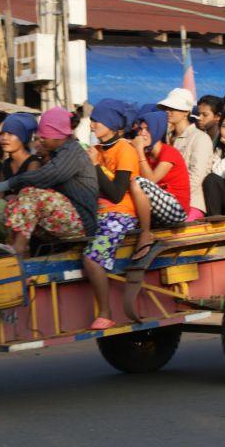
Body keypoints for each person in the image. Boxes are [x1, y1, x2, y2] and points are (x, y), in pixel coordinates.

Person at [0, 107, 98, 256]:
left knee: (29, 193)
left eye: (43, 137)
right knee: (15, 204)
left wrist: (10, 183)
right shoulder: (58, 153)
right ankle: (13, 250)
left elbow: (47, 176)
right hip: (68, 216)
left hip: (82, 221)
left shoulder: (72, 152)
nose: (40, 142)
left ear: (57, 136)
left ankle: (18, 249)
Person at [84, 99, 141, 330]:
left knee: (91, 258)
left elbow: (117, 194)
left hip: (121, 214)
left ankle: (105, 312)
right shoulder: (96, 150)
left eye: (96, 121)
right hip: (97, 212)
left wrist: (96, 166)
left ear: (111, 122)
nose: (91, 126)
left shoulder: (125, 150)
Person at [0, 113, 42, 254]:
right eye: (2, 134)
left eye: (10, 133)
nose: (4, 138)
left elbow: (30, 198)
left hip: (26, 219)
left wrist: (13, 198)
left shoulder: (33, 163)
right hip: (8, 213)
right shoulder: (6, 164)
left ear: (22, 137)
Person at [130, 110, 189, 241]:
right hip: (158, 209)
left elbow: (150, 180)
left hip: (176, 209)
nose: (142, 133)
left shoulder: (169, 152)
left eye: (147, 129)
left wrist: (139, 150)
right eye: (141, 129)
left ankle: (145, 234)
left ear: (156, 131)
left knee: (137, 182)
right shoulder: (146, 155)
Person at [160, 88, 212, 222]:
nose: (168, 112)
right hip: (165, 201)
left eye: (173, 108)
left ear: (186, 112)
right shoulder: (165, 138)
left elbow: (196, 175)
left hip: (191, 203)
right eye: (166, 108)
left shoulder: (200, 138)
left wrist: (172, 196)